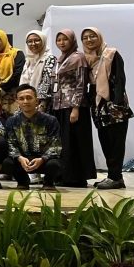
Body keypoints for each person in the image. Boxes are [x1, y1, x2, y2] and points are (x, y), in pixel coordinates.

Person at [82, 27, 134, 190]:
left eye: (92, 36)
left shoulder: (111, 54)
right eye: (85, 37)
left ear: (99, 37)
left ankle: (115, 177)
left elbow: (120, 79)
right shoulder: (87, 59)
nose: (89, 40)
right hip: (98, 106)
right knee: (105, 142)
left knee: (116, 142)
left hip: (114, 105)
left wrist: (116, 104)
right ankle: (114, 176)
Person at [52, 29, 95, 187]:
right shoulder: (60, 59)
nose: (62, 42)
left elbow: (81, 84)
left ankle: (77, 177)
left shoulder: (78, 58)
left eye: (65, 39)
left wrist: (75, 108)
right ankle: (63, 175)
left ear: (72, 41)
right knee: (64, 143)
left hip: (73, 107)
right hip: (59, 106)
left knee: (75, 142)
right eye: (59, 40)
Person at [2, 84, 64, 190]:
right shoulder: (11, 121)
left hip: (44, 160)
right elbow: (10, 144)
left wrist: (42, 159)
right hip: (23, 160)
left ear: (37, 100)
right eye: (21, 98)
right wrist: (20, 158)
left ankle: (48, 183)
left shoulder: (50, 120)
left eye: (29, 98)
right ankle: (22, 181)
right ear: (17, 102)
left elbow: (56, 145)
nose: (25, 101)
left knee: (55, 164)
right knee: (7, 163)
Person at [0, 30, 26, 123]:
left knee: (16, 125)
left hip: (12, 97)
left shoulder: (16, 53)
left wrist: (1, 89)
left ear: (4, 39)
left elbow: (18, 74)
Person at [19, 30, 56, 111]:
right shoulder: (28, 60)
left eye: (37, 40)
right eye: (30, 41)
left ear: (43, 41)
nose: (33, 44)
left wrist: (42, 104)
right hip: (26, 103)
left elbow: (47, 82)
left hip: (42, 104)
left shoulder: (49, 58)